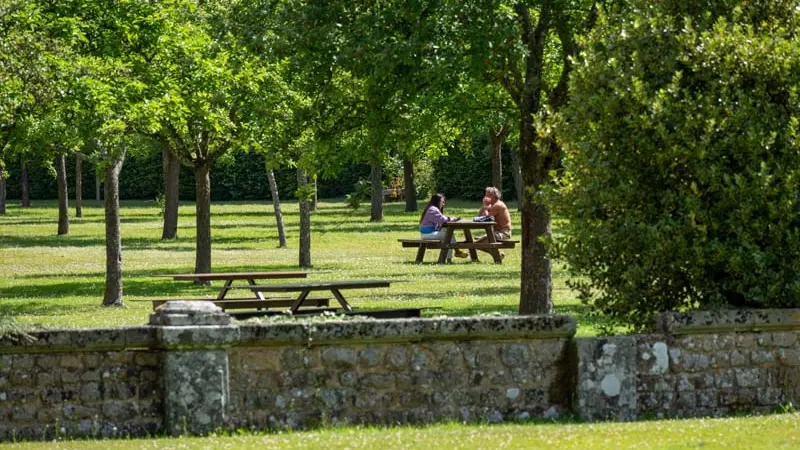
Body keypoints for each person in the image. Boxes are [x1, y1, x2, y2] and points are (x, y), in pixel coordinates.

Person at [419, 193, 468, 259]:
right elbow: (442, 220)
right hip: (427, 234)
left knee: (448, 234)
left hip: (427, 233)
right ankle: (454, 254)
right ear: (437, 201)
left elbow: (441, 219)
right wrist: (452, 219)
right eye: (442, 202)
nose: (443, 204)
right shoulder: (433, 209)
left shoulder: (431, 208)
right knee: (448, 234)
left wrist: (450, 218)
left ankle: (455, 253)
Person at [475, 187, 512, 259]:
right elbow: (478, 217)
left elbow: (486, 219)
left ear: (493, 196)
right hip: (494, 232)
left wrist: (485, 207)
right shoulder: (491, 205)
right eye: (485, 195)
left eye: (487, 196)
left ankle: (497, 255)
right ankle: (498, 254)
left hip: (504, 233)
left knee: (476, 243)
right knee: (477, 242)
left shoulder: (498, 205)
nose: (485, 198)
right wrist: (484, 207)